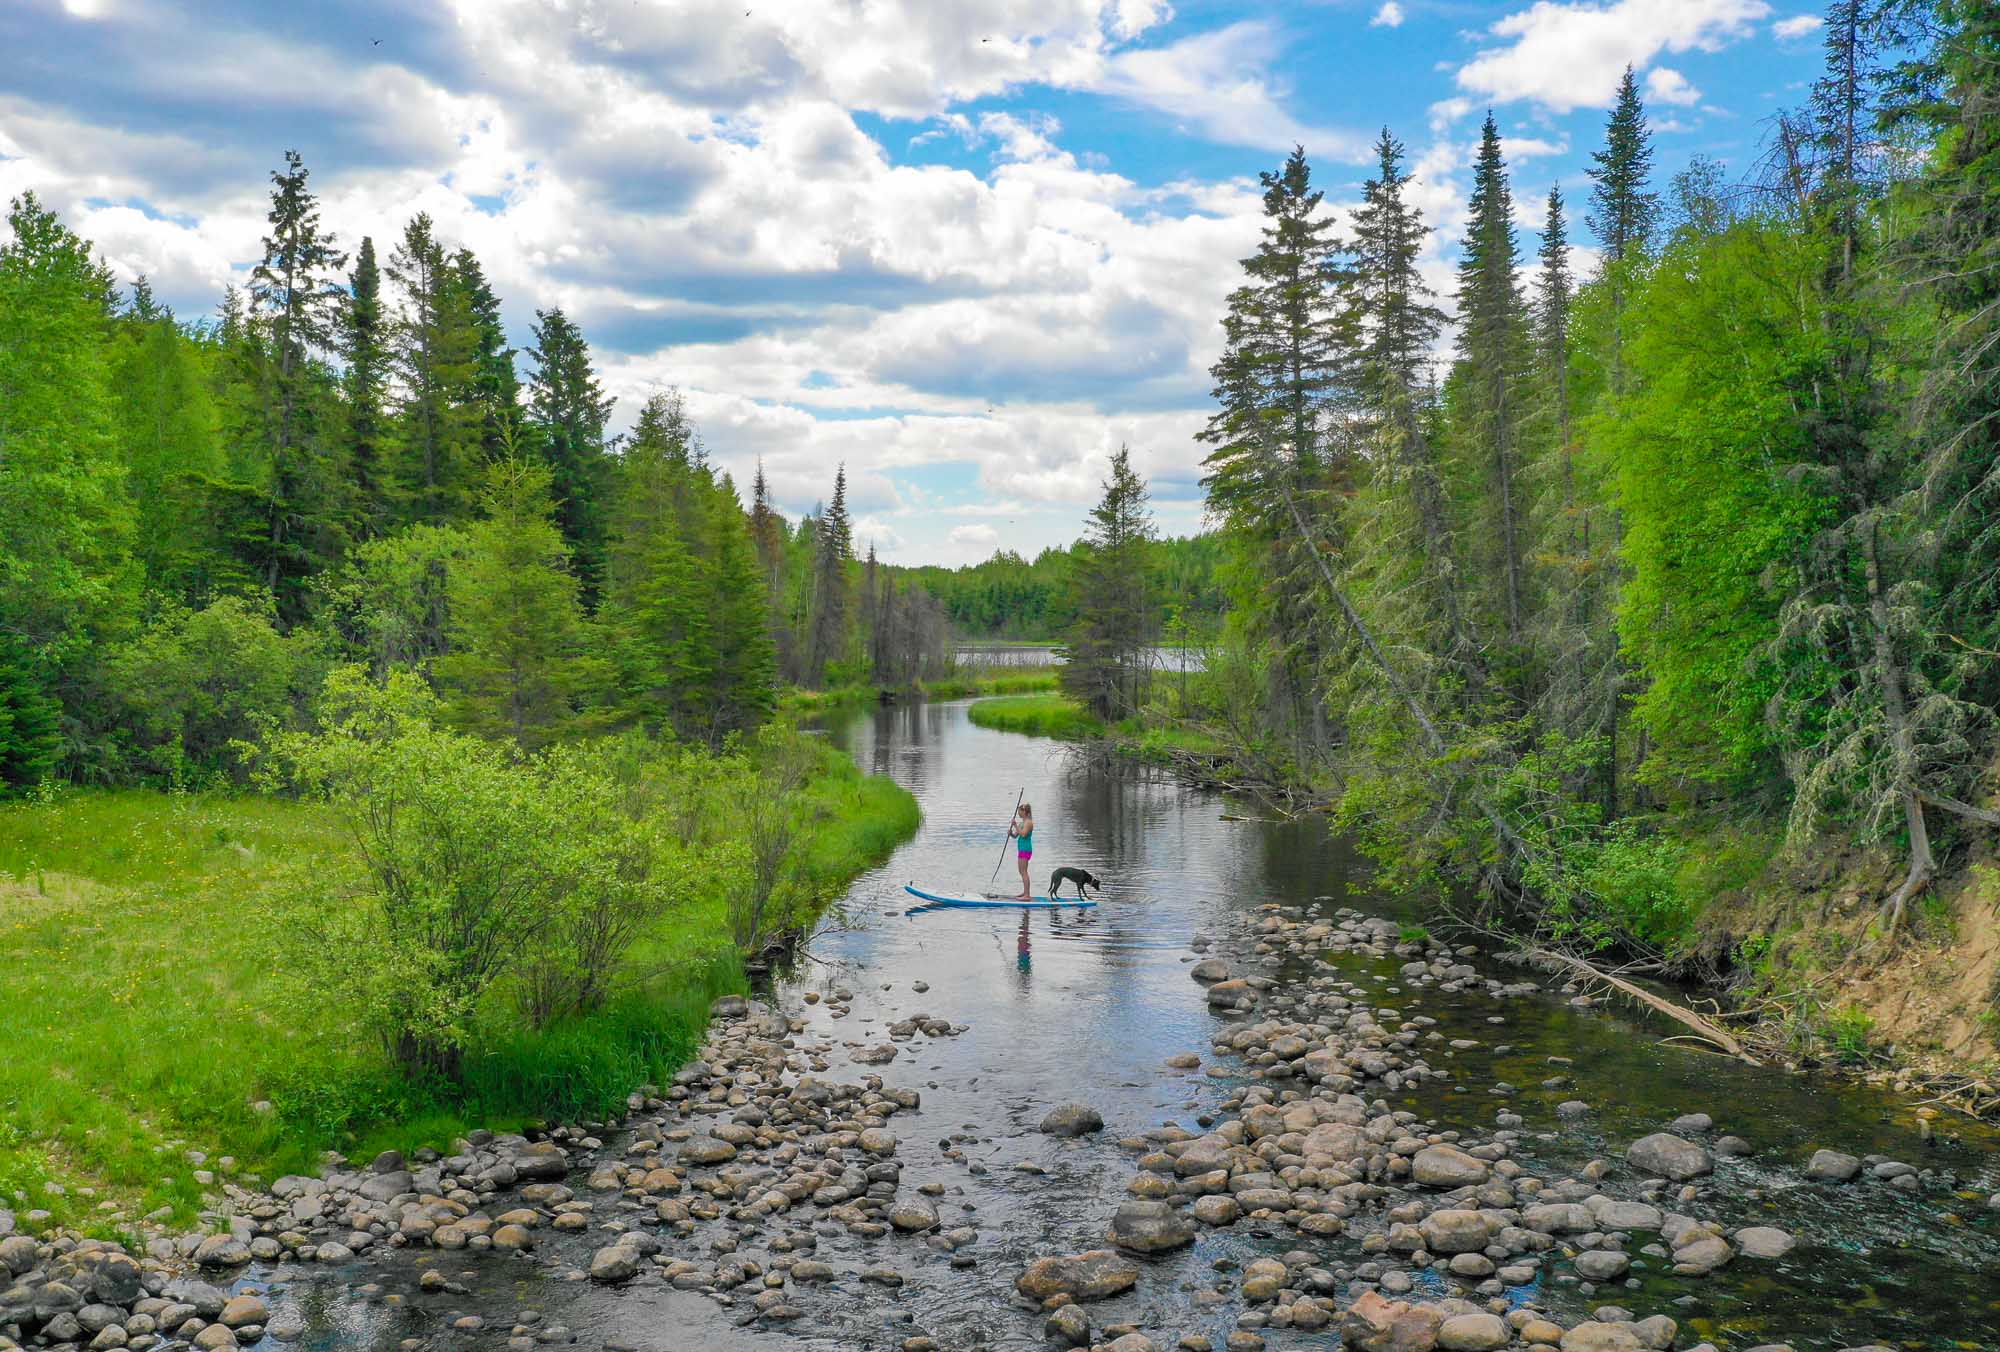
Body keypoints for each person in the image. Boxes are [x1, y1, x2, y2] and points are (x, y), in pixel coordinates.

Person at [1008, 803, 1034, 900]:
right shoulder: (1022, 823)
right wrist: (1011, 834)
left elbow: (1023, 834)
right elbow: (1016, 835)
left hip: (1026, 849)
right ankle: (1025, 892)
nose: (1018, 813)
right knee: (1021, 871)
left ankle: (1027, 895)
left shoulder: (1028, 822)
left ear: (1025, 812)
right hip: (1021, 849)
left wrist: (1015, 825)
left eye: (1020, 811)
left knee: (1023, 871)